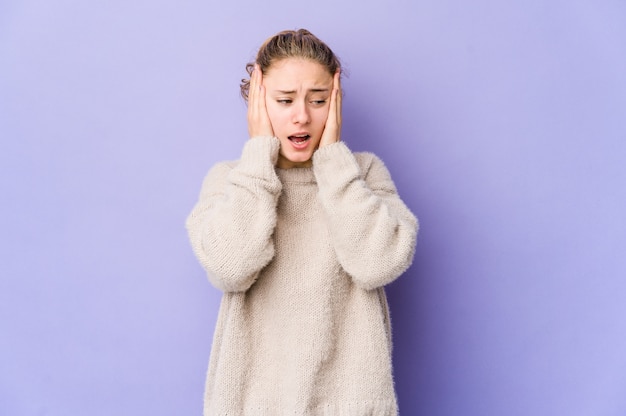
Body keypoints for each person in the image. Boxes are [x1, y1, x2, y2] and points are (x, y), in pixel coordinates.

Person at [186, 28, 418, 416]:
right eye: (284, 99)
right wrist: (259, 157)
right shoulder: (231, 180)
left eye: (318, 99)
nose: (301, 115)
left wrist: (333, 163)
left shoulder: (363, 174)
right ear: (257, 103)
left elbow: (378, 264)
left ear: (336, 101)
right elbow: (230, 269)